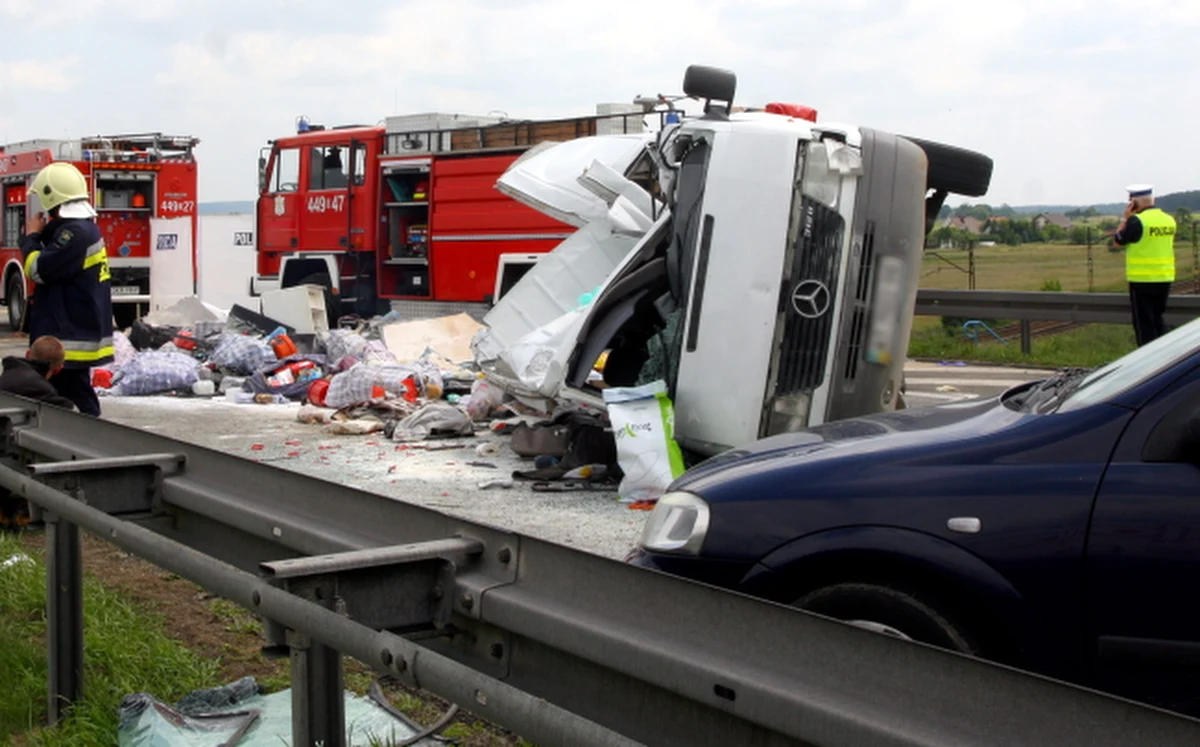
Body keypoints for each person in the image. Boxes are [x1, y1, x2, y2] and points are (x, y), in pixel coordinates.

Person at [19, 162, 114, 416]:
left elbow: (38, 269)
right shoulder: (83, 229)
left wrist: (31, 237)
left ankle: (88, 444)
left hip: (69, 337)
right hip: (75, 332)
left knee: (72, 398)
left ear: (53, 200)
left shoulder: (73, 234)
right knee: (69, 395)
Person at [1113, 184, 1177, 346]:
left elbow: (1118, 240)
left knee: (1144, 325)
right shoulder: (1168, 220)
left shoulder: (1137, 221)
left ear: (1134, 203)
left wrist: (1125, 219)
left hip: (1142, 279)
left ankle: (1148, 362)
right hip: (1164, 276)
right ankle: (1164, 355)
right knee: (1157, 319)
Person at [0, 335, 77, 410]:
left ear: (27, 354)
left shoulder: (8, 373)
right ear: (58, 369)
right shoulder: (41, 389)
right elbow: (70, 413)